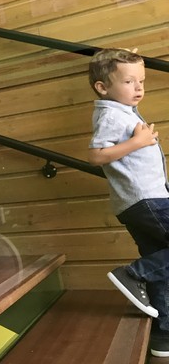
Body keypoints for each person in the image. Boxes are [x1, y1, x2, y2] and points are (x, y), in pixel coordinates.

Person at [88, 48, 169, 358]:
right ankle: (135, 273)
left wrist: (126, 60)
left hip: (142, 200)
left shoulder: (121, 109)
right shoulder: (111, 114)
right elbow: (96, 155)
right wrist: (138, 142)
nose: (138, 88)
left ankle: (163, 336)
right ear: (102, 87)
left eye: (141, 81)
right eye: (129, 82)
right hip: (146, 199)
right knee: (155, 264)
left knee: (163, 265)